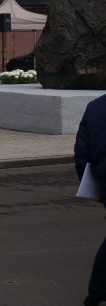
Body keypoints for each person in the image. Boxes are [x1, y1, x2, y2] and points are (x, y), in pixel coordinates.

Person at [75, 95, 106, 306]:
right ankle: (97, 290)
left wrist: (93, 187)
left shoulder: (95, 107)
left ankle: (97, 291)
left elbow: (81, 153)